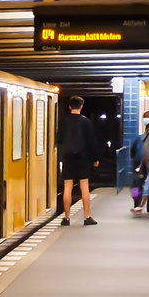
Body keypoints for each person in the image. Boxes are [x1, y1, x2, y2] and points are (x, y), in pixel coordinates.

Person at [56, 95, 100, 226]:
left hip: (68, 157)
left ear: (70, 106)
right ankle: (87, 217)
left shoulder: (63, 121)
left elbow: (59, 140)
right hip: (83, 158)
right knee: (84, 186)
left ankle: (66, 218)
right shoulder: (86, 122)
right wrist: (95, 158)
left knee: (67, 186)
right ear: (81, 106)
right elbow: (92, 142)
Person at [131, 117, 149, 214]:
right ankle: (138, 204)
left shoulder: (139, 139)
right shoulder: (139, 138)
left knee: (140, 186)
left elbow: (132, 152)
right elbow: (133, 152)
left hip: (144, 166)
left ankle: (142, 205)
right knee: (138, 186)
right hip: (140, 166)